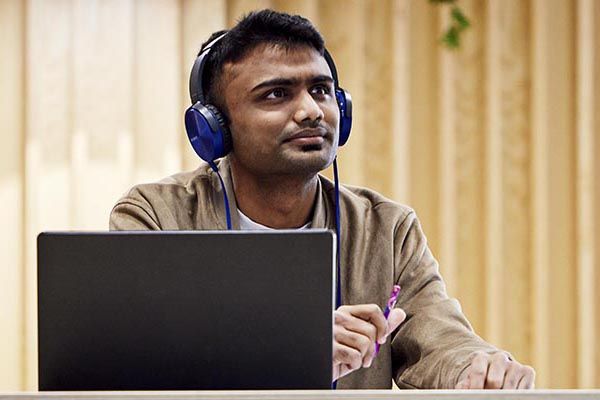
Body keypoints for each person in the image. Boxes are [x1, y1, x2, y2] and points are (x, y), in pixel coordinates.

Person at [110, 9, 535, 390]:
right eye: (276, 94)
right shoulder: (155, 215)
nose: (311, 110)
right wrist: (290, 352)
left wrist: (475, 369)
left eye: (321, 90)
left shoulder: (385, 228)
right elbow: (132, 358)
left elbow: (440, 339)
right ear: (214, 127)